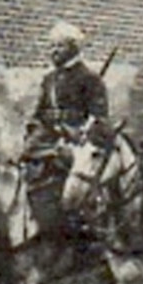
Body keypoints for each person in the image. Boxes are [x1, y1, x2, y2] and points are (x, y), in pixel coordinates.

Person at [22, 21, 109, 236]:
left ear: (73, 47)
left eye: (58, 46)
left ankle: (82, 221)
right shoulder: (49, 79)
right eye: (51, 46)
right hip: (48, 138)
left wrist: (78, 133)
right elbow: (40, 112)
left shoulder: (89, 78)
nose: (53, 51)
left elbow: (98, 116)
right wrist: (34, 128)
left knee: (77, 173)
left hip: (77, 140)